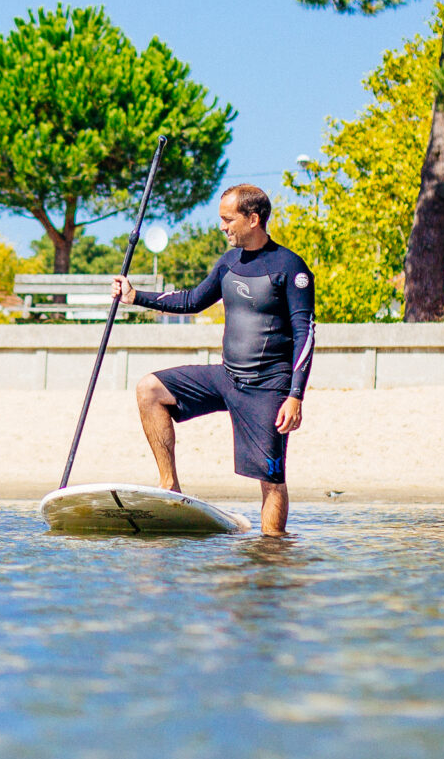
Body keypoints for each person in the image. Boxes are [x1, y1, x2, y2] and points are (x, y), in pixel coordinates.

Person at [109, 182, 315, 536]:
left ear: (253, 219)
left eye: (227, 219)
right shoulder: (229, 262)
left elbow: (305, 335)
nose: (222, 227)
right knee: (150, 391)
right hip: (226, 377)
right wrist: (136, 296)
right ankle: (169, 483)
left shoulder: (289, 267)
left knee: (271, 478)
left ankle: (272, 549)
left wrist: (295, 395)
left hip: (268, 387)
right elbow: (191, 300)